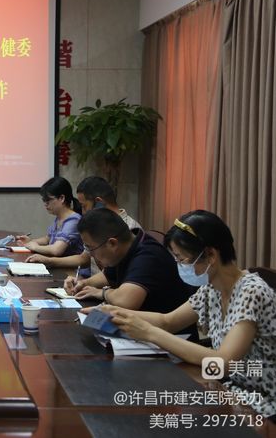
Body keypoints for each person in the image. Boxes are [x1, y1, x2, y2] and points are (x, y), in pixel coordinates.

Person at [103, 210, 275, 419]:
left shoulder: (251, 291)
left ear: (211, 255)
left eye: (181, 259)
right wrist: (115, 312)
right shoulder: (212, 288)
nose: (180, 266)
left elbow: (224, 362)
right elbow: (168, 321)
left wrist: (149, 333)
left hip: (261, 402)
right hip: (229, 388)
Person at [65, 208, 194, 316]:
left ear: (112, 243)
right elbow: (107, 275)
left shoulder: (149, 256)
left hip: (170, 334)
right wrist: (83, 283)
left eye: (91, 248)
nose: (91, 254)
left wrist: (102, 293)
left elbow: (126, 301)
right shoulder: (127, 246)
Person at [27, 176, 141, 277]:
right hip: (94, 285)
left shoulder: (129, 229)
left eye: (84, 206)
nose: (83, 212)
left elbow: (117, 275)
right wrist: (49, 261)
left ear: (99, 203)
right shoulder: (97, 224)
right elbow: (84, 258)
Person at [15, 176, 83, 258]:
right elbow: (48, 239)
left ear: (61, 198)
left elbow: (56, 250)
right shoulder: (59, 218)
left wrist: (35, 247)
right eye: (44, 200)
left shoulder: (73, 220)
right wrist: (30, 242)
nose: (45, 204)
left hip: (69, 266)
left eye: (48, 200)